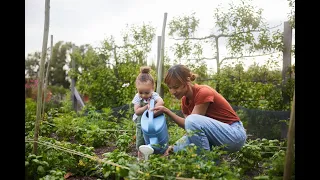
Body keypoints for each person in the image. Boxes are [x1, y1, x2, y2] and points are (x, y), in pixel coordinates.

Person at [150, 64, 247, 156]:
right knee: (175, 150)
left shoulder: (203, 92)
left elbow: (191, 122)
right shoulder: (185, 101)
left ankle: (205, 163)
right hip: (218, 136)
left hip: (234, 135)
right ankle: (214, 165)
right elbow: (189, 128)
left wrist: (167, 111)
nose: (172, 92)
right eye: (170, 88)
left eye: (176, 87)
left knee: (192, 120)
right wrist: (174, 147)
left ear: (187, 81)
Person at [131, 66, 164, 159]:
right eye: (141, 92)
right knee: (140, 141)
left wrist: (153, 108)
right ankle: (140, 158)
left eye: (146, 92)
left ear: (152, 88)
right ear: (137, 88)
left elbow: (161, 102)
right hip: (141, 124)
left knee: (152, 140)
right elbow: (137, 111)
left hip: (152, 123)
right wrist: (146, 107)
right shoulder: (137, 97)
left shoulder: (154, 95)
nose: (144, 95)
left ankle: (153, 157)